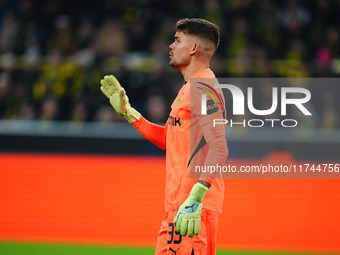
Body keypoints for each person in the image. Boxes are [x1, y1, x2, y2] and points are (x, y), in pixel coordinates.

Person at [100, 18, 228, 255]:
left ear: (193, 48)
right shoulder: (190, 88)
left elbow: (219, 147)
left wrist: (196, 197)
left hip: (190, 207)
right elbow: (169, 139)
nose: (170, 46)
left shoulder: (204, 88)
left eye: (177, 40)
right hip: (182, 205)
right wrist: (130, 113)